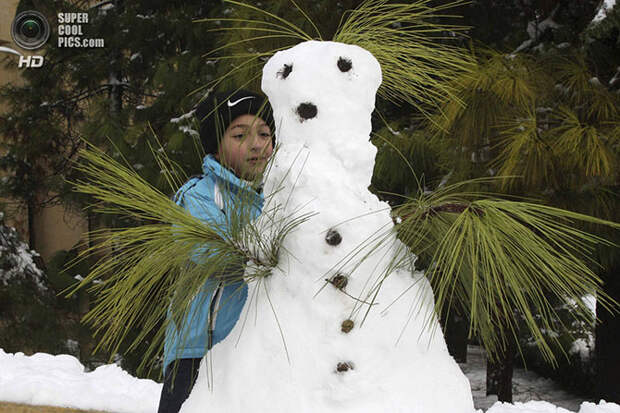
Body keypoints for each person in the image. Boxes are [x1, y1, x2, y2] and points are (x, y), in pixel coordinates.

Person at [157, 89, 275, 413]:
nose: (256, 144)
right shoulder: (199, 195)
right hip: (198, 351)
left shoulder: (281, 198)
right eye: (240, 135)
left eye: (264, 133)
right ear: (216, 146)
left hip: (256, 349)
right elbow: (213, 252)